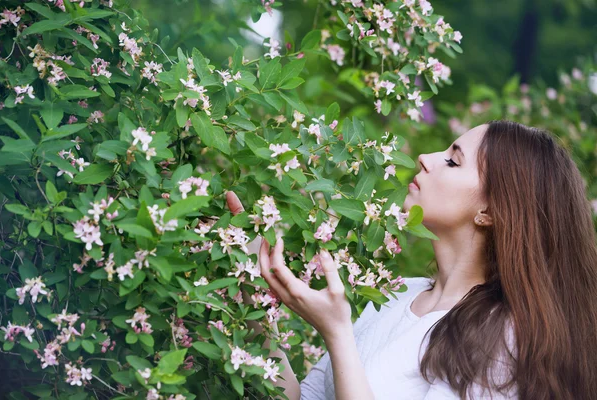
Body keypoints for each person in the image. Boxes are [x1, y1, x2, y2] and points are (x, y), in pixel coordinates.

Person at [226, 120, 597, 400]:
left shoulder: (502, 339)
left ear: (490, 210)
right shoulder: (398, 293)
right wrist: (255, 292)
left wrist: (337, 333)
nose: (425, 158)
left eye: (453, 161)